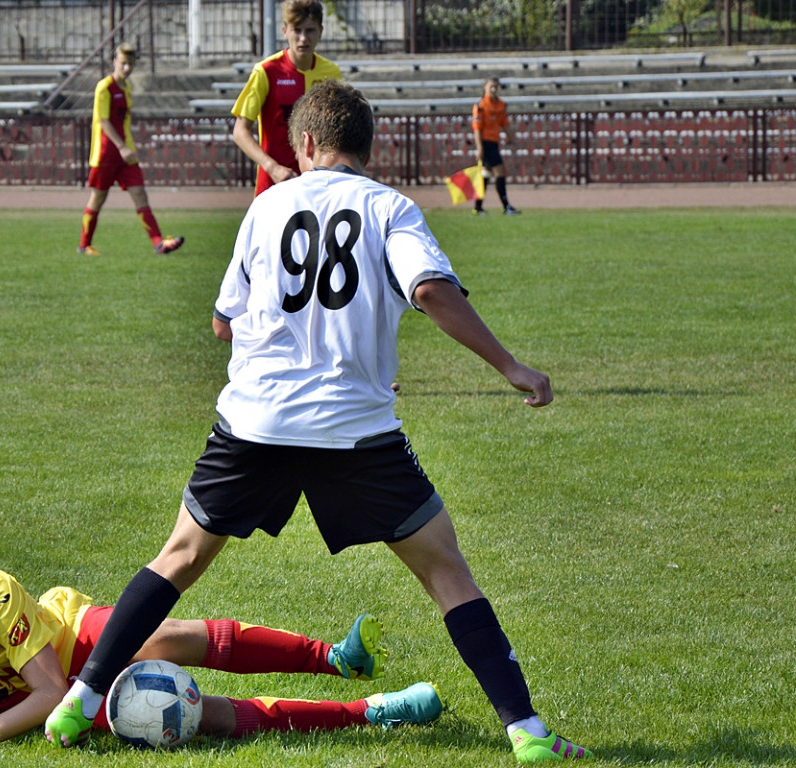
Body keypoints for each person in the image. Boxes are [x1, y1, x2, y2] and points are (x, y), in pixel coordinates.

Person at [46, 80, 591, 763]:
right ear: (368, 147)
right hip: (353, 430)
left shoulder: (266, 206)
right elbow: (428, 289)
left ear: (304, 143)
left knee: (179, 557)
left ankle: (81, 699)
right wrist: (510, 366)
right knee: (446, 571)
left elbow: (224, 322)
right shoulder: (389, 206)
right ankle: (527, 732)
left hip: (255, 423)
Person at [0, 546, 440, 750]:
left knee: (164, 637)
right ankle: (372, 711)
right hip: (60, 704)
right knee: (202, 717)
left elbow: (49, 691)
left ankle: (334, 657)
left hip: (68, 643)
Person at [78, 43, 184, 256]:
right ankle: (84, 245)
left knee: (140, 193)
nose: (127, 68)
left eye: (130, 64)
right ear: (115, 62)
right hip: (106, 153)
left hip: (125, 154)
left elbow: (122, 122)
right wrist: (121, 147)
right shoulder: (104, 87)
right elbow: (103, 121)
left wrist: (128, 147)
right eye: (123, 63)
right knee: (98, 198)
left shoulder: (126, 88)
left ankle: (159, 243)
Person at [231, 0, 341, 196]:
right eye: (297, 30)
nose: (303, 38)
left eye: (310, 30)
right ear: (285, 31)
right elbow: (240, 131)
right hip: (274, 183)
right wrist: (272, 167)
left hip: (317, 186)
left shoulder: (331, 73)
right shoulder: (266, 71)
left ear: (320, 32)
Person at [471, 77, 521, 215]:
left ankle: (478, 208)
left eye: (495, 87)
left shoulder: (500, 104)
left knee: (485, 174)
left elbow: (504, 123)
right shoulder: (480, 105)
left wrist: (512, 138)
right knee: (500, 172)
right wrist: (480, 148)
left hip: (494, 142)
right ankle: (506, 207)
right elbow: (477, 128)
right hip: (486, 143)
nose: (493, 89)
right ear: (485, 87)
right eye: (491, 86)